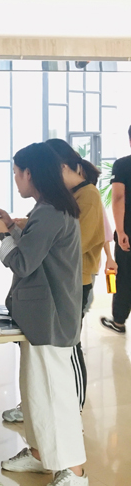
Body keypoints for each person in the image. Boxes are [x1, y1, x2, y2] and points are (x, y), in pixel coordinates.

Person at [0, 142, 88, 486]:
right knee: (35, 392)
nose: (16, 180)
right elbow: (34, 251)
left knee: (55, 394)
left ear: (31, 173)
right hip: (40, 315)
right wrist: (11, 227)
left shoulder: (50, 212)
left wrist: (2, 234)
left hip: (52, 315)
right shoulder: (49, 209)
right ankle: (41, 452)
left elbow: (24, 262)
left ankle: (74, 470)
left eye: (17, 173)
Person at [101, 124, 131, 334]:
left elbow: (119, 197)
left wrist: (120, 231)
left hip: (128, 232)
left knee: (123, 276)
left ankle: (118, 321)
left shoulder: (122, 165)